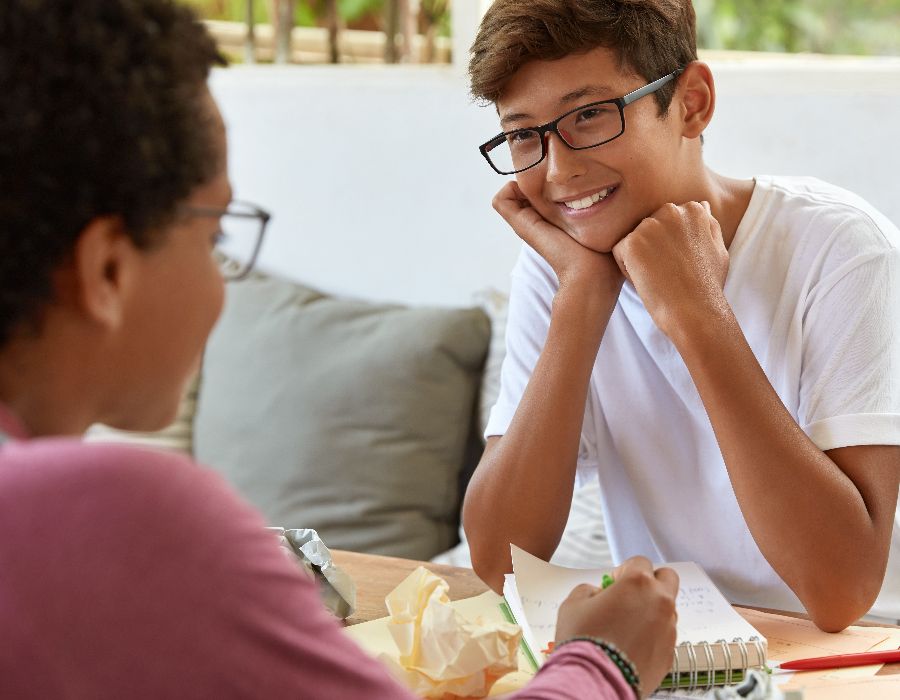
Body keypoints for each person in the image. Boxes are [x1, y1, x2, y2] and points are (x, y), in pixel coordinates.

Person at [0, 1, 679, 697]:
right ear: (108, 272)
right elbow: (502, 553)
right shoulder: (119, 520)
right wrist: (604, 659)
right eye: (215, 238)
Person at [462, 0, 900, 632]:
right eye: (525, 135)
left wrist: (698, 313)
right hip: (681, 652)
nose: (559, 171)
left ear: (691, 103)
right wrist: (582, 299)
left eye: (589, 115)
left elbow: (840, 592)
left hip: (863, 650)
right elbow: (498, 560)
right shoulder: (564, 271)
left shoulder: (840, 249)